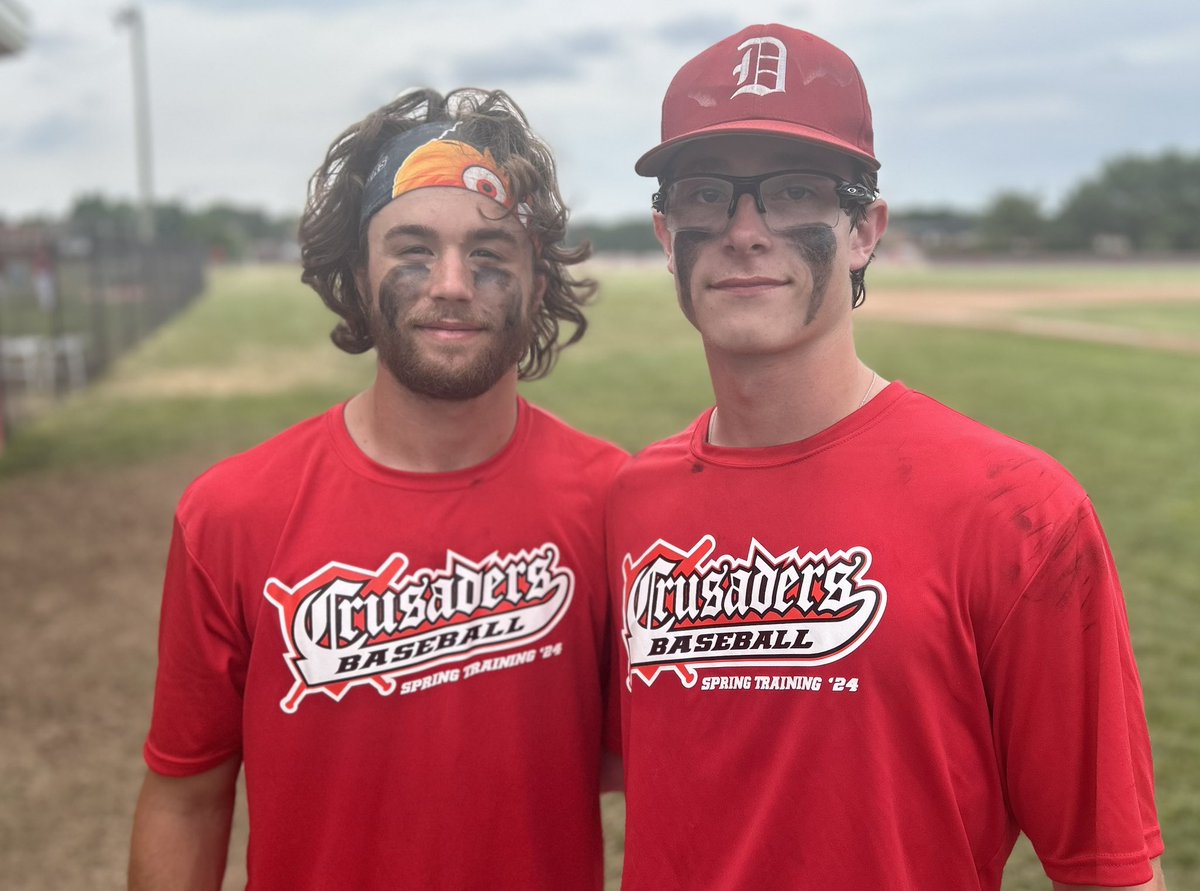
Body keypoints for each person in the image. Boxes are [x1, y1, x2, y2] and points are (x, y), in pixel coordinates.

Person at [607, 24, 1166, 890]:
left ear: (864, 230)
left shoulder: (1017, 510)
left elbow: (1108, 870)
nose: (744, 230)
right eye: (705, 194)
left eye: (795, 192)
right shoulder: (629, 504)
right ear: (664, 231)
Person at [128, 88, 627, 890]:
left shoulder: (614, 505)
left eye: (491, 252)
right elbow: (187, 799)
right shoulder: (232, 514)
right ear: (358, 275)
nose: (453, 283)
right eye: (413, 249)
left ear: (539, 283)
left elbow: (645, 762)